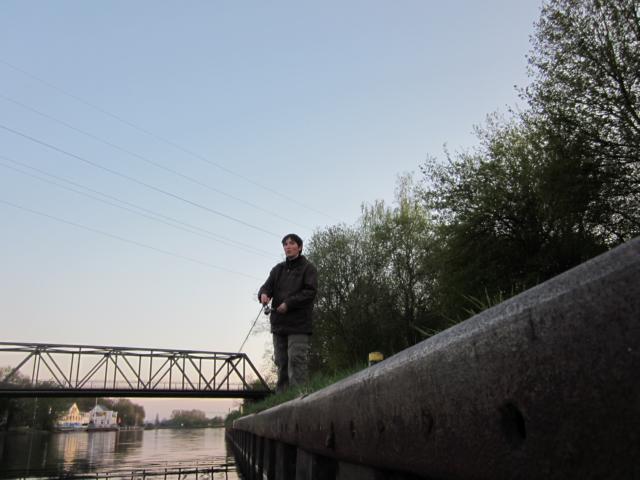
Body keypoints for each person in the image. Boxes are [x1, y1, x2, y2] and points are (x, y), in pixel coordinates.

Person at [258, 233, 317, 393]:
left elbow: (309, 292)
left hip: (299, 324)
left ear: (299, 247)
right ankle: (282, 398)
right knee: (281, 362)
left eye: (291, 243)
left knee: (296, 360)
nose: (288, 246)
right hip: (279, 324)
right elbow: (266, 287)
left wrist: (288, 304)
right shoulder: (277, 270)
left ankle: (299, 396)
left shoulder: (308, 268)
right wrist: (263, 294)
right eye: (285, 244)